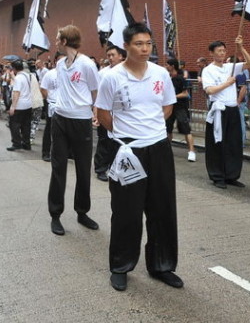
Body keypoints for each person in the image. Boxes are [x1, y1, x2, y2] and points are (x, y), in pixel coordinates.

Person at [95, 23, 181, 292]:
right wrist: (127, 134)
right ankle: (121, 266)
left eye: (148, 44)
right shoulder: (111, 77)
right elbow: (103, 115)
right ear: (126, 46)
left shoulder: (160, 74)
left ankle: (162, 265)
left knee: (162, 209)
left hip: (158, 148)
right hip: (127, 151)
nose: (145, 49)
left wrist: (150, 129)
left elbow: (167, 106)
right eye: (138, 44)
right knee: (126, 211)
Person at [47, 24, 100, 236]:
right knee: (58, 166)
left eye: (58, 38)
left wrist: (93, 112)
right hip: (60, 119)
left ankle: (82, 212)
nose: (56, 42)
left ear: (66, 41)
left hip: (81, 120)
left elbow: (96, 91)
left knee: (83, 168)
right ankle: (55, 215)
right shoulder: (60, 64)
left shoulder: (87, 64)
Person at [201, 36, 250, 189]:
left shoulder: (230, 66)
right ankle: (217, 176)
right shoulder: (208, 70)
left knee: (233, 143)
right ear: (212, 53)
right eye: (219, 51)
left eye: (224, 50)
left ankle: (232, 175)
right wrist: (227, 83)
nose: (222, 53)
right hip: (218, 109)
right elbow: (209, 90)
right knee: (217, 143)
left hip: (232, 109)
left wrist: (241, 47)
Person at [94, 45, 126, 180]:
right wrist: (96, 114)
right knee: (104, 141)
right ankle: (100, 168)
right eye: (109, 55)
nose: (111, 58)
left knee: (119, 143)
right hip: (105, 112)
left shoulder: (127, 72)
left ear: (121, 56)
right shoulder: (103, 73)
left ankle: (115, 168)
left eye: (113, 55)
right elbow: (97, 97)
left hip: (122, 114)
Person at [165, 59, 196, 161]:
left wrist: (173, 96)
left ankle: (191, 151)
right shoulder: (167, 78)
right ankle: (166, 150)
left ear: (172, 66)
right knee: (168, 130)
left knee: (186, 129)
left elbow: (186, 93)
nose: (166, 66)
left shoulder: (181, 79)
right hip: (169, 107)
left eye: (167, 65)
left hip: (180, 107)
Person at [7, 59, 33, 151]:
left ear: (14, 68)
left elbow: (16, 93)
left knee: (14, 124)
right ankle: (26, 143)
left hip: (20, 104)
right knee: (26, 125)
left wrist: (13, 107)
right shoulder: (27, 75)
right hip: (28, 104)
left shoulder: (18, 78)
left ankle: (16, 143)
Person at [39, 65, 58, 162]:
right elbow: (43, 89)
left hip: (66, 105)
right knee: (50, 128)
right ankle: (46, 152)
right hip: (52, 104)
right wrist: (49, 99)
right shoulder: (50, 74)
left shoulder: (69, 73)